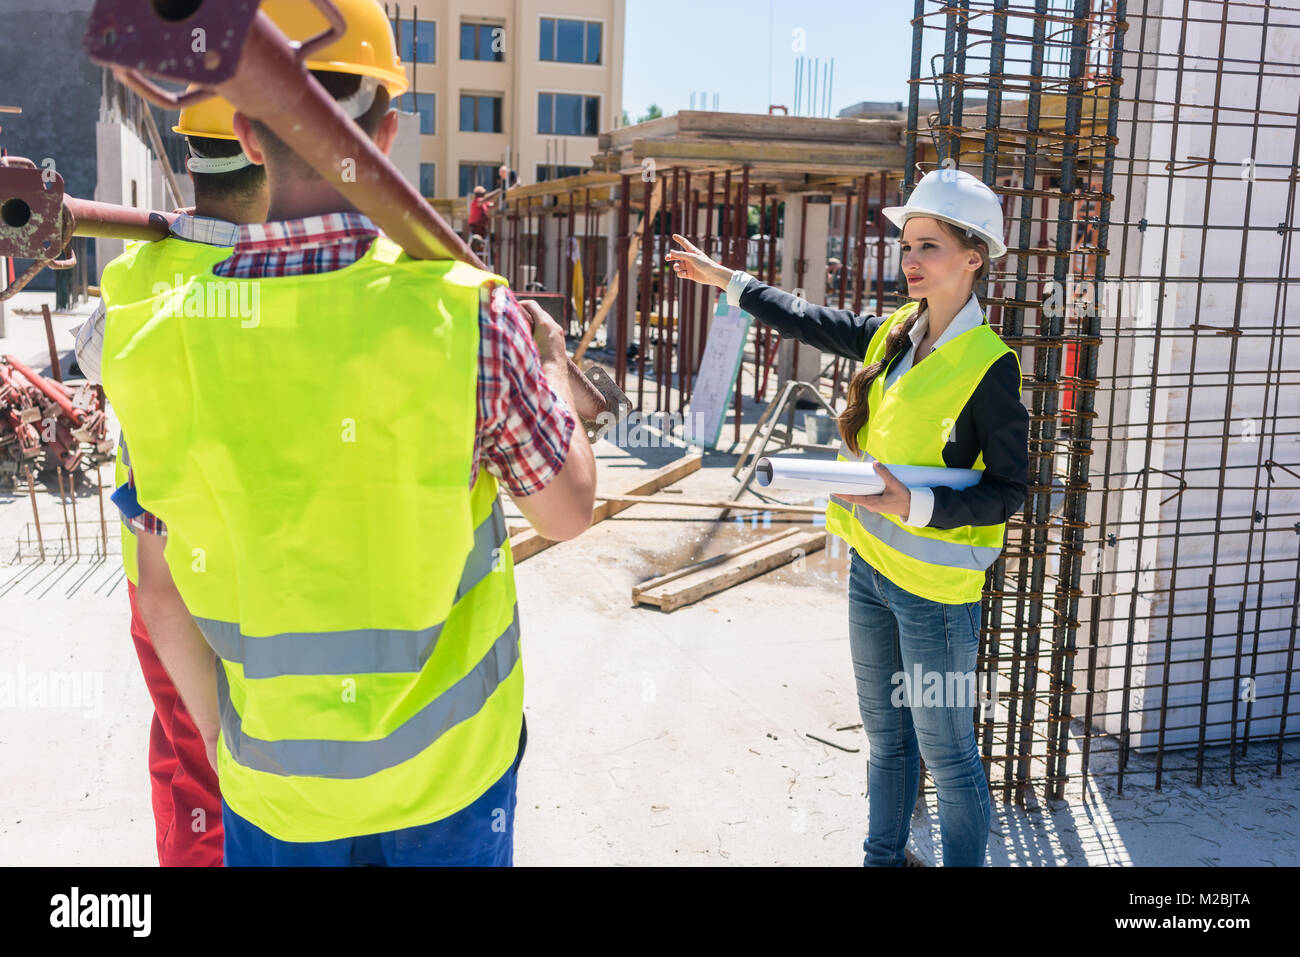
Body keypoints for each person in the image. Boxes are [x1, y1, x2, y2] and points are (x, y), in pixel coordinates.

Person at [98, 0, 596, 867]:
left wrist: (225, 749)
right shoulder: (467, 314)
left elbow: (160, 586)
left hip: (279, 797)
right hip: (450, 784)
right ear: (390, 129)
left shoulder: (151, 341)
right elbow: (567, 513)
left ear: (248, 139)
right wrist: (555, 379)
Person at [667, 168, 1028, 866]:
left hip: (937, 593)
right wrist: (727, 280)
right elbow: (810, 318)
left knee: (948, 753)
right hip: (871, 572)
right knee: (886, 741)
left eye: (928, 245)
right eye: (907, 247)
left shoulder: (990, 364)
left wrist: (914, 502)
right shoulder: (894, 334)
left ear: (973, 256)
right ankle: (881, 859)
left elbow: (1010, 490)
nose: (911, 260)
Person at [74, 92, 269, 866]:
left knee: (192, 769)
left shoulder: (130, 284)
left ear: (191, 160)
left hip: (158, 585)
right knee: (280, 782)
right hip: (262, 585)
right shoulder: (300, 280)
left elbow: (93, 359)